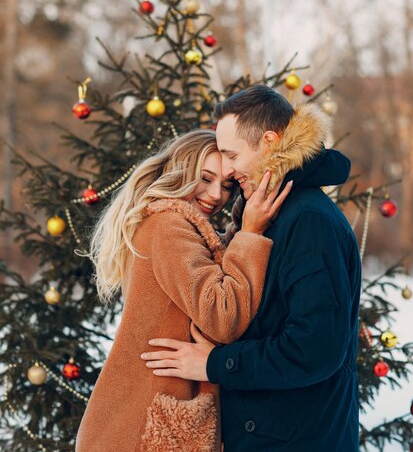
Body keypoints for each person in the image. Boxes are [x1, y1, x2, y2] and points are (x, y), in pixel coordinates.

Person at [141, 86, 362, 452]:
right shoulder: (274, 211)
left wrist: (215, 364)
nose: (227, 170)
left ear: (270, 142)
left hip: (300, 441)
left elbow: (316, 348)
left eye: (231, 155)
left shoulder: (308, 221)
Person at [75, 128, 292, 452]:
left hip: (146, 416)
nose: (216, 194)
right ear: (180, 172)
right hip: (142, 425)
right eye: (205, 178)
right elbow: (222, 316)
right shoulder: (169, 226)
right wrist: (250, 233)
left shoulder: (177, 226)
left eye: (227, 184)